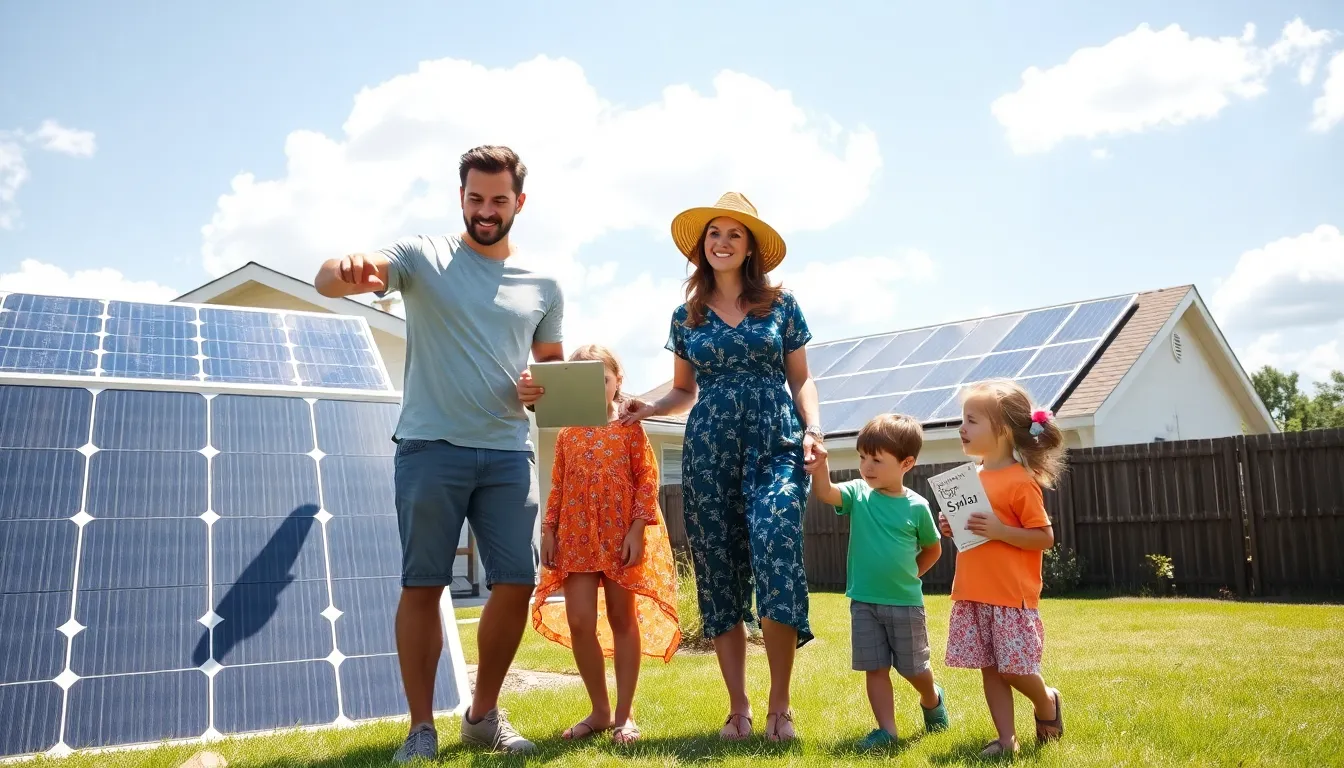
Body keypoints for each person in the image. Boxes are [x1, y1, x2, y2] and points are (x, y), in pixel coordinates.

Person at [314, 145, 563, 760]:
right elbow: (332, 279)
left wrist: (538, 391)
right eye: (475, 198)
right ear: (462, 198)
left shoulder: (544, 287)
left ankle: (481, 714)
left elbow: (551, 382)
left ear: (519, 203)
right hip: (430, 449)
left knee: (515, 582)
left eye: (498, 200)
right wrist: (345, 267)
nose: (486, 210)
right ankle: (421, 727)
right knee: (424, 584)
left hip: (507, 454)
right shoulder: (422, 256)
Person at [620, 192, 822, 742]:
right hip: (710, 447)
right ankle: (739, 707)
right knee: (720, 571)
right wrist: (650, 406)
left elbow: (800, 377)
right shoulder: (686, 316)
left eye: (735, 234)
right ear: (701, 246)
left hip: (774, 439)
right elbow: (684, 391)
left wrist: (812, 428)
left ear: (751, 246)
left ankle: (781, 704)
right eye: (714, 234)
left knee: (777, 546)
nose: (723, 242)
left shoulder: (781, 305)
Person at [531, 344, 681, 746]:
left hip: (620, 536)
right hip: (577, 534)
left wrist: (636, 530)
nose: (597, 386)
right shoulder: (567, 431)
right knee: (580, 621)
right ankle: (599, 710)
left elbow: (647, 480)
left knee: (621, 618)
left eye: (604, 379)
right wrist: (549, 530)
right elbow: (558, 485)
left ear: (618, 382)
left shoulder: (631, 425)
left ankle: (624, 715)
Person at [938, 379, 1067, 758]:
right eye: (963, 419)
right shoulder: (968, 478)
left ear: (1004, 431)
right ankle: (1006, 738)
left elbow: (1044, 537)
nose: (962, 427)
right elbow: (969, 531)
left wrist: (1000, 530)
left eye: (971, 420)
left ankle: (1046, 701)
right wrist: (950, 528)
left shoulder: (1021, 481)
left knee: (1013, 668)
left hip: (1010, 594)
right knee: (990, 668)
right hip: (974, 589)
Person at [808, 412, 950, 750]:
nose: (866, 466)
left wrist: (910, 575)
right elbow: (826, 493)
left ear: (906, 463)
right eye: (862, 458)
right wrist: (819, 468)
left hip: (905, 603)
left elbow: (933, 548)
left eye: (876, 459)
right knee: (875, 668)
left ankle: (931, 697)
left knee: (913, 668)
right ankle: (887, 730)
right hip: (865, 602)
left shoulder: (917, 507)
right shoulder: (858, 493)